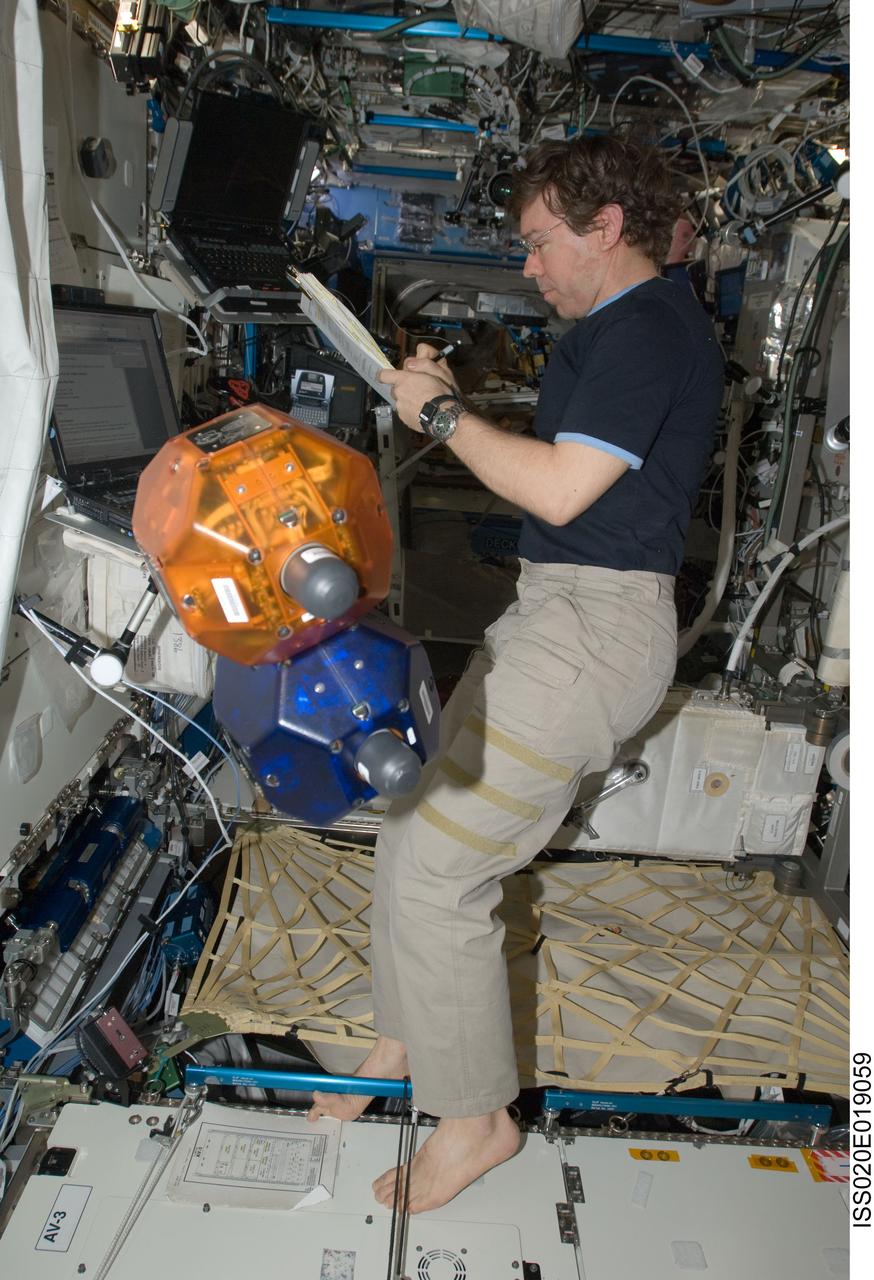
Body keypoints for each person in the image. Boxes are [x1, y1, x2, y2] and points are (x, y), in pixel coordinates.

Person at [308, 135, 725, 1214]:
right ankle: (407, 1038)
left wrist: (442, 416)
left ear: (605, 227)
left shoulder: (644, 328)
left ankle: (476, 1118)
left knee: (447, 869)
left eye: (541, 244)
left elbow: (560, 489)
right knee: (414, 823)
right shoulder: (628, 328)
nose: (529, 269)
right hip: (555, 617)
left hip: (587, 634)